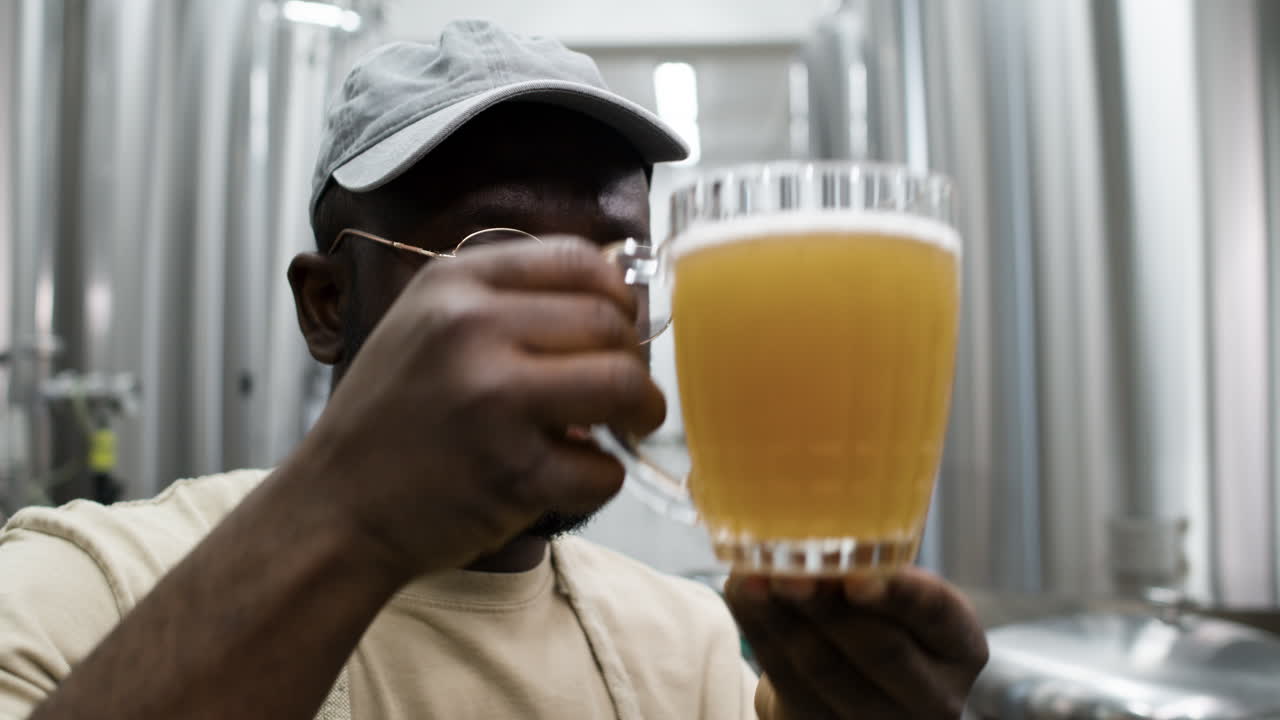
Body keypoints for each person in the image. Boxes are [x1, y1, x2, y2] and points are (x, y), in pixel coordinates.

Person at [0, 20, 987, 720]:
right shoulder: (87, 587)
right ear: (327, 304)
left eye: (613, 264)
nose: (575, 314)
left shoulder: (685, 650)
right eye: (494, 256)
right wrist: (355, 513)